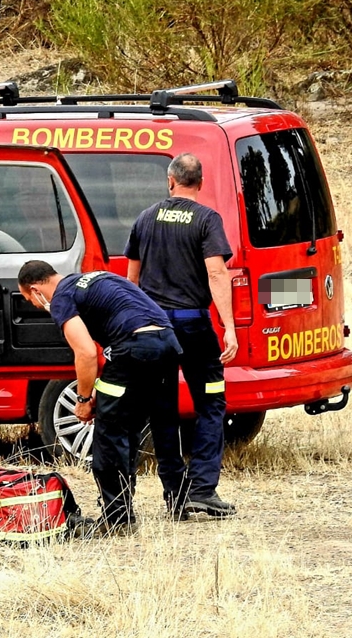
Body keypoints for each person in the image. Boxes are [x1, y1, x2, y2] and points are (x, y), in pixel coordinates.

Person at [18, 260, 183, 536]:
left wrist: (83, 400)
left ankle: (117, 519)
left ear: (35, 289)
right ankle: (180, 502)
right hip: (167, 343)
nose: (35, 306)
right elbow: (111, 349)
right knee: (162, 424)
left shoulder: (61, 298)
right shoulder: (95, 279)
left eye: (29, 300)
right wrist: (98, 388)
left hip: (134, 347)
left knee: (110, 434)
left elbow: (85, 352)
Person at [124, 152, 238, 519]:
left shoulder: (145, 218)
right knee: (211, 403)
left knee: (163, 411)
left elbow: (131, 281)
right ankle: (202, 490)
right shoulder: (207, 219)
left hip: (155, 330)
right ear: (200, 184)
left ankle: (174, 494)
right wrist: (230, 328)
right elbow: (217, 274)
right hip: (194, 328)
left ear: (170, 181)